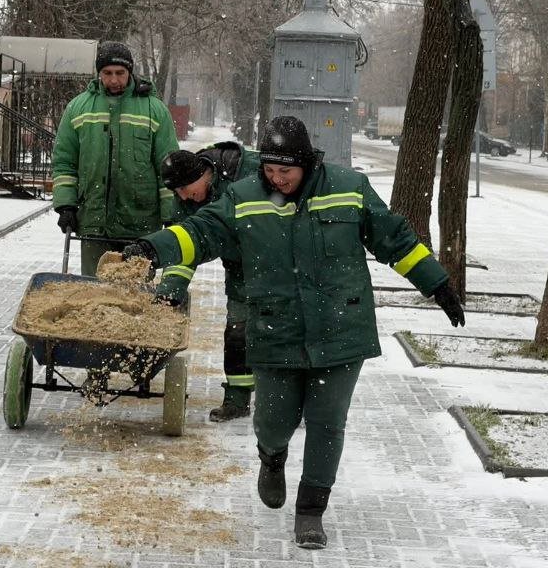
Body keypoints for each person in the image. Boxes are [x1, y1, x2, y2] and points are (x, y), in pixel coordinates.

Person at [123, 116, 464, 549]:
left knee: (327, 422)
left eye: (285, 170)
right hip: (275, 327)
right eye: (269, 169)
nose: (276, 179)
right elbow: (200, 232)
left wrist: (436, 284)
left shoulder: (349, 188)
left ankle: (310, 511)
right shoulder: (245, 197)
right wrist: (153, 248)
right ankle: (272, 457)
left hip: (341, 328)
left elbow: (394, 238)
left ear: (306, 163)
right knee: (274, 421)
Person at [51, 41, 178, 275]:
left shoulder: (154, 110)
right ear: (99, 73)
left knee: (134, 291)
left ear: (130, 71)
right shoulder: (78, 108)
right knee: (93, 289)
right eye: (107, 73)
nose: (114, 80)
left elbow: (169, 168)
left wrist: (171, 214)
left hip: (140, 225)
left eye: (120, 73)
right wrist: (65, 205)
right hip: (94, 222)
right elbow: (64, 162)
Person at [157, 142, 261, 422]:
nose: (183, 196)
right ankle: (237, 400)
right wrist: (170, 290)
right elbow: (182, 246)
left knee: (282, 333)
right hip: (240, 270)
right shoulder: (185, 201)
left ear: (203, 174)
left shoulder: (248, 172)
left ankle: (289, 404)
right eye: (176, 192)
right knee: (238, 332)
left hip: (280, 267)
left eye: (184, 188)